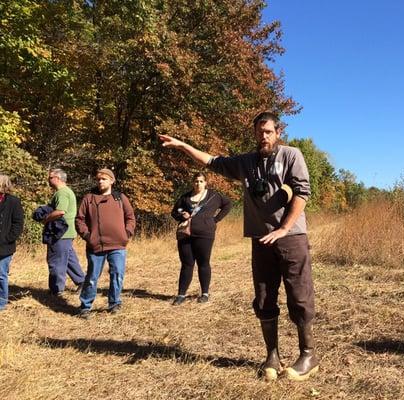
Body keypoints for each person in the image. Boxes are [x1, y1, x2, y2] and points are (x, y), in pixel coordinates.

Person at [159, 111, 319, 381]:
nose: (263, 136)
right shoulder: (246, 162)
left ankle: (308, 355)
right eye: (259, 131)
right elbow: (211, 161)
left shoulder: (291, 155)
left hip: (291, 238)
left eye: (268, 131)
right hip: (260, 239)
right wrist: (183, 146)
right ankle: (272, 355)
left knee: (299, 296)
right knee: (264, 297)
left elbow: (302, 192)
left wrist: (283, 228)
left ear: (278, 132)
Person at [75, 168, 136, 318]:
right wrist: (88, 236)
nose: (101, 182)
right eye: (99, 179)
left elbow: (131, 217)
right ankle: (85, 306)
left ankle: (114, 303)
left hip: (118, 245)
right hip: (96, 246)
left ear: (112, 181)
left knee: (117, 274)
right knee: (92, 276)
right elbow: (79, 220)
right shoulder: (89, 198)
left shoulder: (120, 198)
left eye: (104, 179)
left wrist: (126, 234)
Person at [171, 172, 232, 305]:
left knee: (203, 263)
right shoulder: (185, 197)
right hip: (185, 235)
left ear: (205, 183)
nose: (198, 184)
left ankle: (204, 293)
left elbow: (228, 205)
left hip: (205, 234)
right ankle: (181, 294)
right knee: (186, 264)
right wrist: (182, 215)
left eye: (200, 181)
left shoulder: (214, 196)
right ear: (192, 183)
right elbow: (174, 212)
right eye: (196, 181)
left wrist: (215, 220)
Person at [45, 168, 85, 296]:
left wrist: (45, 219)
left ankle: (57, 290)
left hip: (60, 234)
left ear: (57, 178)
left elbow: (60, 211)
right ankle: (83, 282)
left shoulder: (62, 193)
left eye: (50, 177)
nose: (48, 180)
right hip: (66, 233)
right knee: (68, 260)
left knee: (56, 261)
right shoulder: (66, 192)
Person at [0, 175, 24, 311]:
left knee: (1, 274)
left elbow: (18, 224)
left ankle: (2, 302)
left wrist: (7, 239)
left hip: (5, 246)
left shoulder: (13, 202)